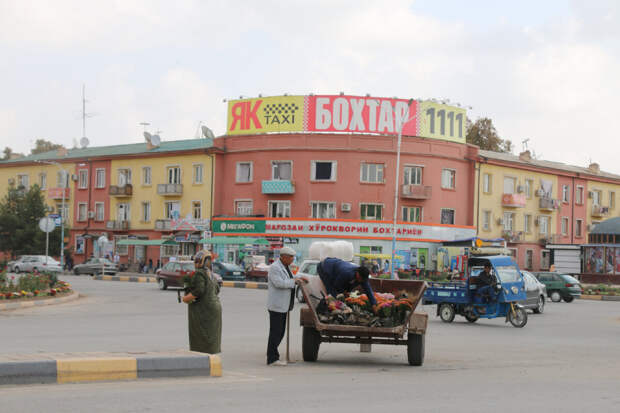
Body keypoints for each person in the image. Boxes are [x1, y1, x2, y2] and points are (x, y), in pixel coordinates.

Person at [266, 247, 308, 366]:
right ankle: (272, 358)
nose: (292, 260)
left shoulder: (285, 267)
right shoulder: (275, 267)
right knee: (275, 332)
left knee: (281, 332)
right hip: (277, 305)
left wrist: (298, 279)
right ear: (283, 257)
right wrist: (294, 281)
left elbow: (289, 278)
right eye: (291, 258)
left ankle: (274, 356)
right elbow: (279, 283)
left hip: (284, 305)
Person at [182, 250, 222, 354]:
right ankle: (211, 357)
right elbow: (217, 289)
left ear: (201, 262)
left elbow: (199, 290)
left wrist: (185, 298)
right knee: (211, 335)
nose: (195, 264)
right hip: (215, 308)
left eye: (196, 261)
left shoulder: (199, 273)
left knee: (201, 336)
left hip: (204, 310)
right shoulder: (211, 274)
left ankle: (202, 357)